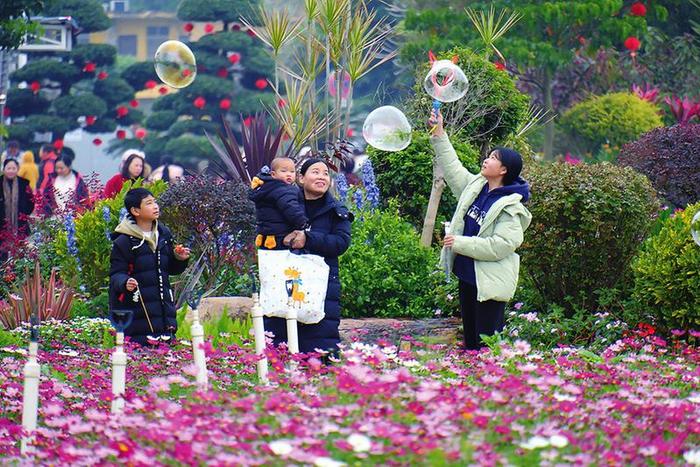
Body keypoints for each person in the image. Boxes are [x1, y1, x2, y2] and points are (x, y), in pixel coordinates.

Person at [429, 110, 532, 350]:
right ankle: (470, 383)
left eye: (493, 158)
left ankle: (490, 384)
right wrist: (439, 133)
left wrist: (459, 242)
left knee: (486, 344)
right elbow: (453, 168)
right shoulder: (477, 186)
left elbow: (501, 245)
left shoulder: (510, 207)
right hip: (467, 274)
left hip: (489, 282)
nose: (486, 159)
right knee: (471, 342)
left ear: (504, 170)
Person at [264, 158, 353, 354]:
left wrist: (308, 239)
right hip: (285, 284)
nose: (322, 176)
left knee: (319, 350)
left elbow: (340, 242)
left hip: (321, 290)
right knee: (280, 345)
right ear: (301, 178)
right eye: (315, 172)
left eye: (325, 173)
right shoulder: (284, 205)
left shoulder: (337, 211)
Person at [108, 188, 190, 345]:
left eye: (155, 202)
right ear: (135, 211)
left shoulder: (163, 234)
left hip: (165, 315)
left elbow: (170, 269)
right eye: (149, 203)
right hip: (138, 315)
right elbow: (116, 275)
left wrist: (179, 259)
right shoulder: (124, 242)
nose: (155, 206)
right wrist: (125, 282)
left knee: (166, 358)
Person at [249, 157, 309, 250]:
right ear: (273, 174)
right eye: (284, 171)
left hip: (266, 235)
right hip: (282, 235)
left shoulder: (266, 188)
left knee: (269, 261)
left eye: (292, 172)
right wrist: (302, 223)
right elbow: (291, 208)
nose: (288, 174)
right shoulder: (284, 190)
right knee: (286, 262)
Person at [0, 159, 35, 248]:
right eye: (8, 168)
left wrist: (24, 214)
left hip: (20, 224)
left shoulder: (24, 183)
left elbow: (31, 201)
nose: (11, 171)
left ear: (18, 169)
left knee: (20, 252)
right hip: (2, 225)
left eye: (13, 168)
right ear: (4, 169)